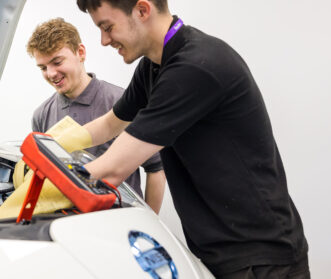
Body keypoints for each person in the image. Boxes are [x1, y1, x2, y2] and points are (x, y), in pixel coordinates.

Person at [74, 0, 309, 278]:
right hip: (220, 250)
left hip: (259, 256)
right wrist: (52, 142)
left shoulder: (195, 66)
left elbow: (112, 169)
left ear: (142, 10)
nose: (103, 40)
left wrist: (50, 183)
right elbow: (112, 123)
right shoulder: (154, 66)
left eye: (107, 27)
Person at [27, 17, 166, 213]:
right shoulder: (41, 115)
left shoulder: (122, 103)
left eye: (57, 62)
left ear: (80, 53)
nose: (51, 73)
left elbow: (156, 168)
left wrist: (151, 222)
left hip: (119, 223)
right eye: (43, 68)